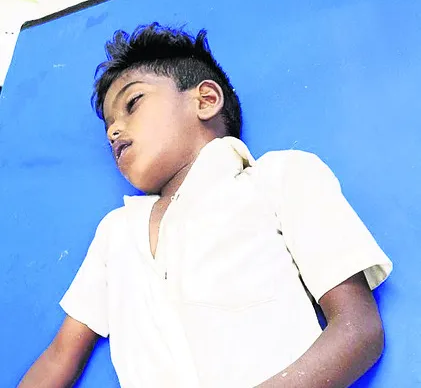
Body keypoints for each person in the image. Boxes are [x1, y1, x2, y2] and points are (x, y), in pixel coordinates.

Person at [18, 22, 392, 388]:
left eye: (133, 103)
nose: (114, 131)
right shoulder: (115, 232)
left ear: (206, 100)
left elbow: (358, 328)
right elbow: (60, 356)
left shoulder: (280, 177)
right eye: (109, 128)